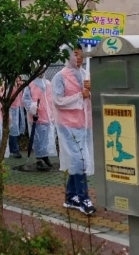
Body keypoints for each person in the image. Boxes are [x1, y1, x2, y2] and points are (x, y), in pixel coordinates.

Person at [51, 44, 96, 216]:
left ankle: (70, 197)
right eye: (75, 54)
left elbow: (91, 99)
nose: (79, 57)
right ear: (67, 55)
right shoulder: (59, 77)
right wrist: (79, 95)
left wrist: (91, 90)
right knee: (80, 160)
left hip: (84, 124)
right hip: (68, 126)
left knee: (77, 160)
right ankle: (84, 198)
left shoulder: (86, 74)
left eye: (81, 54)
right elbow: (57, 101)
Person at [23, 69, 57, 170]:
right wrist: (33, 107)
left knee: (46, 139)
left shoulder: (48, 83)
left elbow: (52, 98)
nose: (41, 72)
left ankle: (44, 155)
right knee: (37, 139)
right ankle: (38, 159)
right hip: (36, 117)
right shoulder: (30, 84)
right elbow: (26, 100)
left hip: (48, 116)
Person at [8, 75, 26, 158]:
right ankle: (15, 150)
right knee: (13, 129)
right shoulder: (10, 86)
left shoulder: (20, 87)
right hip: (12, 109)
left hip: (18, 108)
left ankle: (13, 149)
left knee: (16, 129)